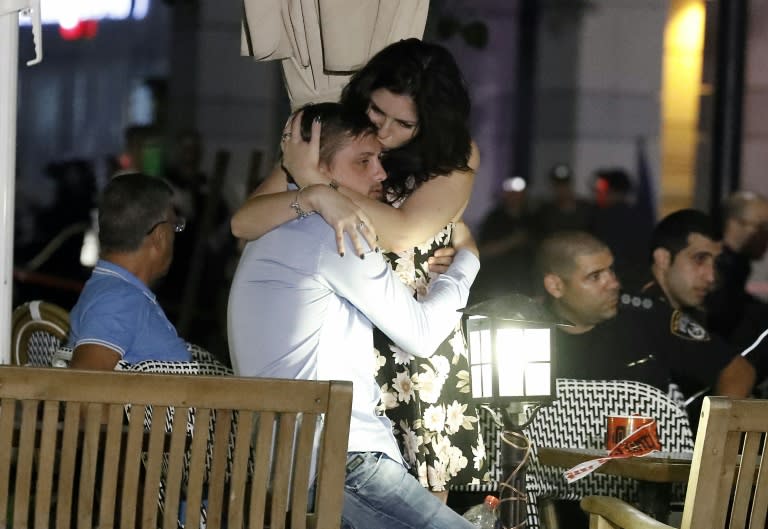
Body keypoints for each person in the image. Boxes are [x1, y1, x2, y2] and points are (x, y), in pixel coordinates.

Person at [230, 38, 486, 499]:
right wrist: (313, 190)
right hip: (342, 337)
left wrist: (318, 184)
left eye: (403, 123)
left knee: (421, 494)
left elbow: (403, 232)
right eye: (376, 112)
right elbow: (246, 221)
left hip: (416, 331)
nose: (384, 133)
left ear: (431, 122)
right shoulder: (335, 136)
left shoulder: (453, 154)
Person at [537, 228, 754, 419]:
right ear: (555, 286)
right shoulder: (523, 333)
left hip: (643, 461)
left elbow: (737, 370)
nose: (613, 283)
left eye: (611, 270)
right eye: (595, 277)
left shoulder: (645, 317)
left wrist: (713, 439)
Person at [67, 173, 191, 370]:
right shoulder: (119, 300)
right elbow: (83, 389)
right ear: (159, 237)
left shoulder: (113, 291)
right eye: (175, 226)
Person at [705, 192, 768, 346]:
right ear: (734, 224)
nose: (765, 234)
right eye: (763, 226)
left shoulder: (734, 267)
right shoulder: (715, 269)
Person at [472, 176, 535, 302]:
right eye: (511, 192)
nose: (515, 196)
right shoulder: (494, 218)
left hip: (525, 286)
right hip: (497, 286)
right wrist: (512, 241)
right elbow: (483, 251)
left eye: (518, 192)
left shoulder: (533, 218)